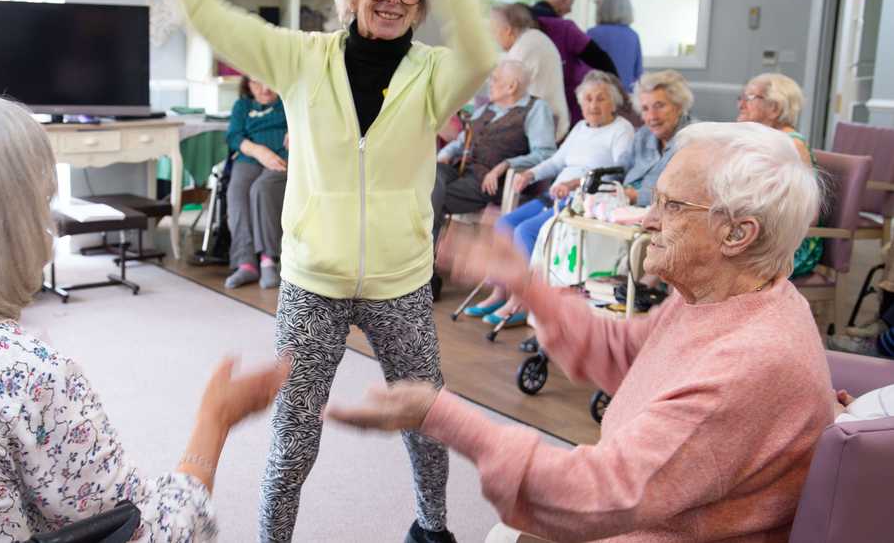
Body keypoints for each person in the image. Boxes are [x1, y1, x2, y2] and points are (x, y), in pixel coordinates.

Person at [330, 122, 834, 542]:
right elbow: (624, 355)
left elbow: (597, 495)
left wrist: (437, 414)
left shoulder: (749, 361)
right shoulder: (724, 299)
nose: (647, 220)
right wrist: (525, 285)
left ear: (737, 233)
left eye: (672, 206)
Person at [0, 94, 289, 541]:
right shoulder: (24, 377)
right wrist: (214, 420)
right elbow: (149, 536)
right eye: (42, 203)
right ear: (9, 227)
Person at [167, 0, 496, 540]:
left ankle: (433, 530)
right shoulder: (299, 59)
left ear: (421, 1)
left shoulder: (433, 74)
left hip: (401, 281)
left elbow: (481, 54)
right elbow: (212, 18)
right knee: (293, 437)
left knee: (425, 421)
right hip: (313, 280)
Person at [467, 71, 633, 325]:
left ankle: (525, 299)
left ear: (613, 102)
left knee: (525, 232)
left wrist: (575, 183)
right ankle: (501, 291)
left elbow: (621, 170)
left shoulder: (621, 130)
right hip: (556, 194)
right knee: (504, 224)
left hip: (583, 201)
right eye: (588, 99)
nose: (593, 105)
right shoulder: (580, 128)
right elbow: (557, 161)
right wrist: (530, 174)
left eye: (600, 99)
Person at [432, 60, 557, 241]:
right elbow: (462, 141)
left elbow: (545, 154)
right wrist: (445, 154)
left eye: (495, 79)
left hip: (487, 182)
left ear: (511, 86)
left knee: (429, 197)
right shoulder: (487, 108)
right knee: (428, 177)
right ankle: (425, 261)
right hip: (460, 169)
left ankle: (425, 259)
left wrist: (506, 164)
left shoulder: (536, 109)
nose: (489, 83)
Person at [737, 72, 820, 278]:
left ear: (774, 108)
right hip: (758, 232)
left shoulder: (792, 145)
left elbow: (808, 215)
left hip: (788, 245)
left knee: (712, 255)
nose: (741, 105)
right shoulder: (765, 140)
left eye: (749, 98)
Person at [223, 76, 289, 289]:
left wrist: (297, 129)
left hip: (283, 157)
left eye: (269, 80)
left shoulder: (289, 102)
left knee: (262, 189)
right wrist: (258, 151)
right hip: (250, 157)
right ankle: (246, 264)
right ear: (248, 84)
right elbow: (233, 136)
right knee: (237, 192)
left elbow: (311, 122)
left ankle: (269, 260)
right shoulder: (242, 106)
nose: (266, 88)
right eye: (257, 82)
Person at [528, 0, 618, 125]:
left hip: (528, 103)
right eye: (570, 5)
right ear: (563, 1)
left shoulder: (522, 24)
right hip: (564, 105)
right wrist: (616, 83)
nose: (569, 10)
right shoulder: (565, 28)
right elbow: (598, 57)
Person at [490, 4, 570, 139]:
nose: (492, 37)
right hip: (544, 124)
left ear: (507, 30)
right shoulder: (531, 39)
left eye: (493, 31)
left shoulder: (524, 47)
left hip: (541, 130)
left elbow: (505, 92)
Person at [620, 69, 695, 207]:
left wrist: (637, 197)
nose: (652, 117)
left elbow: (687, 194)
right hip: (622, 211)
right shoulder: (642, 135)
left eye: (659, 106)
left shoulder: (694, 140)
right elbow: (619, 169)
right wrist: (603, 188)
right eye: (645, 109)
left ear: (679, 106)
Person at [587, 0, 643, 92]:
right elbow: (638, 74)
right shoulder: (633, 36)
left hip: (598, 95)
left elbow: (583, 72)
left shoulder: (592, 34)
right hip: (626, 97)